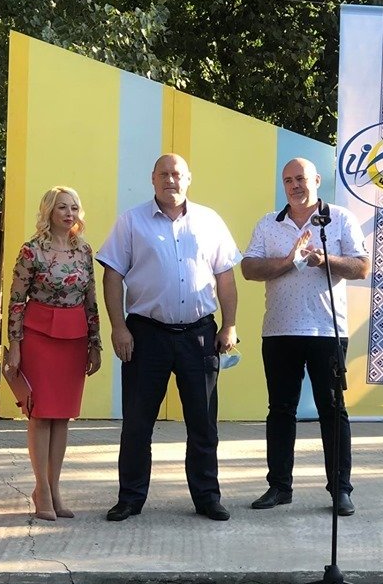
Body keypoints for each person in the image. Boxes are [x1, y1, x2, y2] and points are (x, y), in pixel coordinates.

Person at [98, 153, 239, 522]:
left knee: (203, 423)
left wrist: (230, 324)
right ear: (152, 179)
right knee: (137, 422)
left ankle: (207, 497)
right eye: (163, 173)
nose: (170, 179)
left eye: (177, 173)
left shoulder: (210, 221)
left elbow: (225, 277)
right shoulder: (131, 221)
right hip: (146, 335)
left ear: (188, 178)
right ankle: (130, 498)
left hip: (199, 334)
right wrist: (118, 326)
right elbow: (112, 275)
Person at [241, 157, 369, 517]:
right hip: (279, 330)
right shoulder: (269, 223)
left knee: (333, 409)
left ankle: (340, 490)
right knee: (280, 410)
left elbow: (361, 266)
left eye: (301, 178)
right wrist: (289, 260)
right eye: (288, 180)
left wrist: (324, 260)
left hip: (326, 331)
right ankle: (279, 487)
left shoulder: (338, 219)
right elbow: (249, 268)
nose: (295, 185)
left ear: (316, 180)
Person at [5, 186, 101, 520]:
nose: (69, 213)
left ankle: (55, 488)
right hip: (38, 336)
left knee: (62, 416)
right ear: (48, 211)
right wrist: (14, 346)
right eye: (62, 207)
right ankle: (41, 490)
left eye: (74, 207)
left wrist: (95, 344)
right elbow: (16, 301)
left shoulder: (83, 250)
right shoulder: (31, 250)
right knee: (41, 413)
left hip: (75, 338)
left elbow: (91, 298)